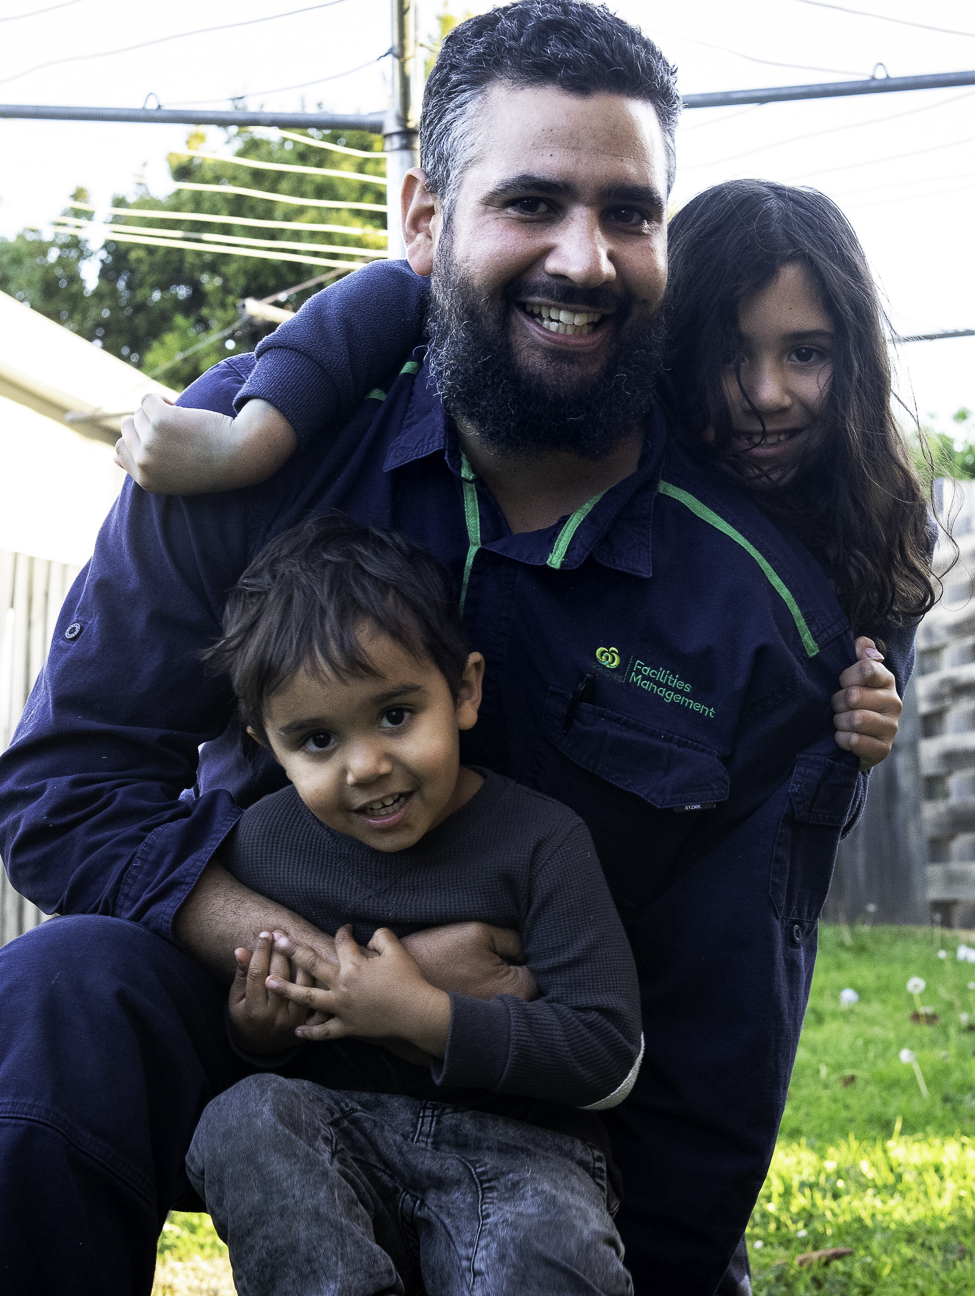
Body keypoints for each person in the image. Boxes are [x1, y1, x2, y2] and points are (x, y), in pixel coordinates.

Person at [0, 0, 897, 1296]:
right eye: (531, 203)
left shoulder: (759, 613)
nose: (586, 258)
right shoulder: (251, 453)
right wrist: (322, 967)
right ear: (425, 219)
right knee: (59, 990)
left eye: (630, 213)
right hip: (250, 1030)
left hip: (551, 1109)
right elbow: (66, 787)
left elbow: (721, 1033)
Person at [122, 179, 935, 675]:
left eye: (807, 353)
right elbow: (401, 293)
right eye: (730, 354)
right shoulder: (619, 426)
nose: (769, 394)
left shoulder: (883, 519)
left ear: (857, 358)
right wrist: (257, 434)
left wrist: (867, 714)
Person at [185, 512, 639, 1296]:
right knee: (243, 1116)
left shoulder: (540, 841)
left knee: (543, 1255)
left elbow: (606, 1053)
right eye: (317, 741)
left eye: (396, 715)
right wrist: (254, 1033)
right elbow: (259, 1044)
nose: (366, 765)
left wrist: (420, 1013)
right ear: (266, 743)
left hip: (526, 1152)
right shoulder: (261, 847)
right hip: (342, 1143)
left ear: (464, 691)